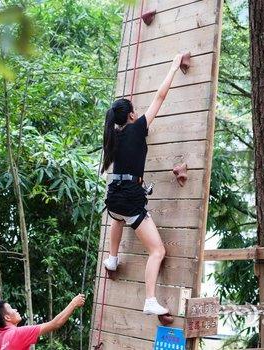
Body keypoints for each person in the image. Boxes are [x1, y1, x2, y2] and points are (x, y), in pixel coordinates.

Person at [102, 53, 185, 316]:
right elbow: (159, 97)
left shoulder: (113, 136)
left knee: (116, 217)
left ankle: (113, 258)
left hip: (114, 196)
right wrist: (173, 66)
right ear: (132, 115)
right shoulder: (137, 128)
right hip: (128, 198)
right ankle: (150, 299)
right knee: (157, 250)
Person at [0, 294, 85, 350]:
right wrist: (74, 303)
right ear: (7, 317)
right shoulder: (19, 333)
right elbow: (56, 323)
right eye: (11, 308)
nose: (15, 309)